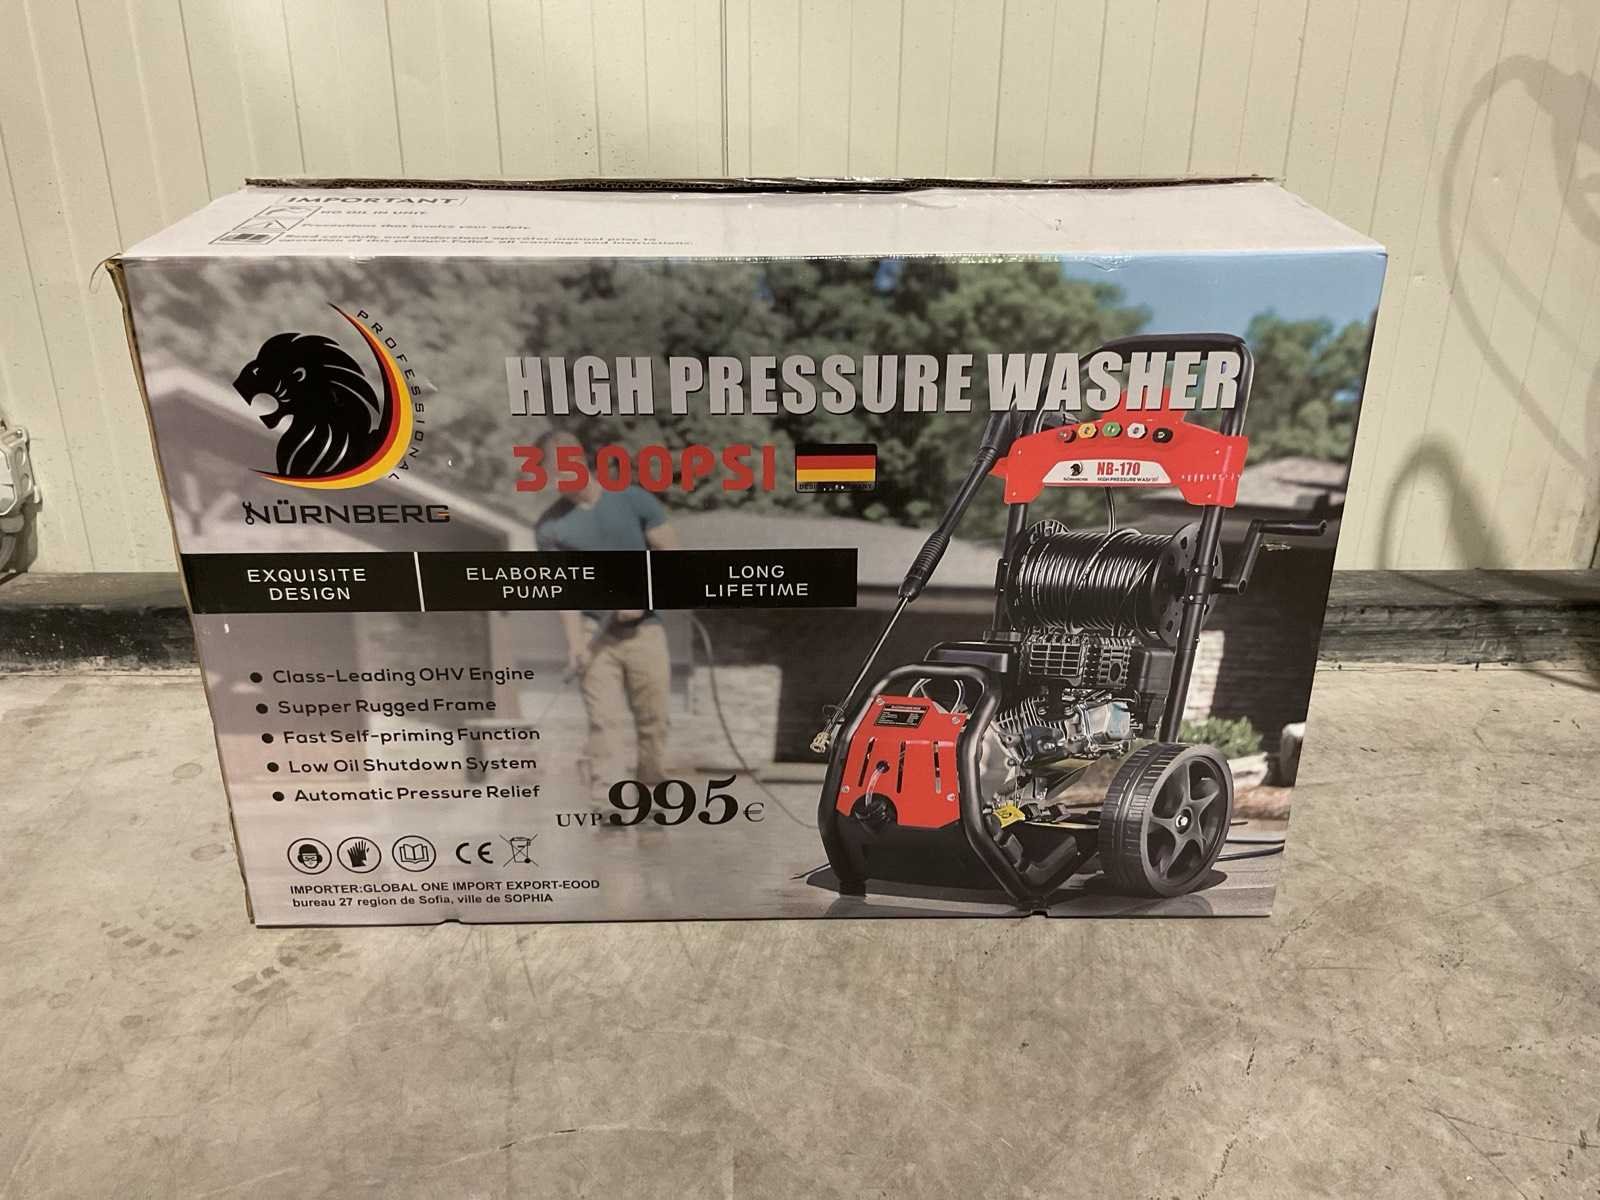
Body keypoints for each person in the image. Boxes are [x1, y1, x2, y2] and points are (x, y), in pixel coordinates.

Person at [533, 429, 679, 801]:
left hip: (645, 630)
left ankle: (653, 794)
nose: (553, 480)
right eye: (547, 473)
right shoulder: (550, 527)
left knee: (654, 720)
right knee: (603, 722)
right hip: (594, 632)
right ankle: (608, 801)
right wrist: (575, 645)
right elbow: (565, 592)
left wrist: (644, 598)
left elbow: (673, 558)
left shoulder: (633, 500)